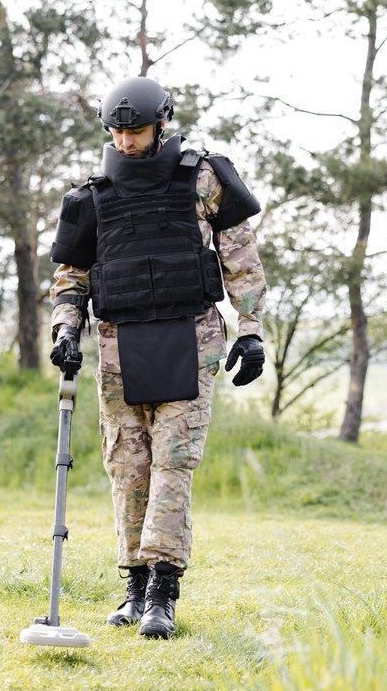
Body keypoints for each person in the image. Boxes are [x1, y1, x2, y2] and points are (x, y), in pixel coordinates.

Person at [47, 76, 267, 639]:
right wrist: (66, 329)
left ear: (161, 124)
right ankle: (135, 586)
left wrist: (251, 329)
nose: (125, 141)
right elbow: (71, 276)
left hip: (190, 337)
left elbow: (239, 254)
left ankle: (164, 593)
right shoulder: (91, 195)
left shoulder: (202, 177)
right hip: (120, 344)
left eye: (135, 130)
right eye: (116, 132)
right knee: (128, 466)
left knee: (173, 463)